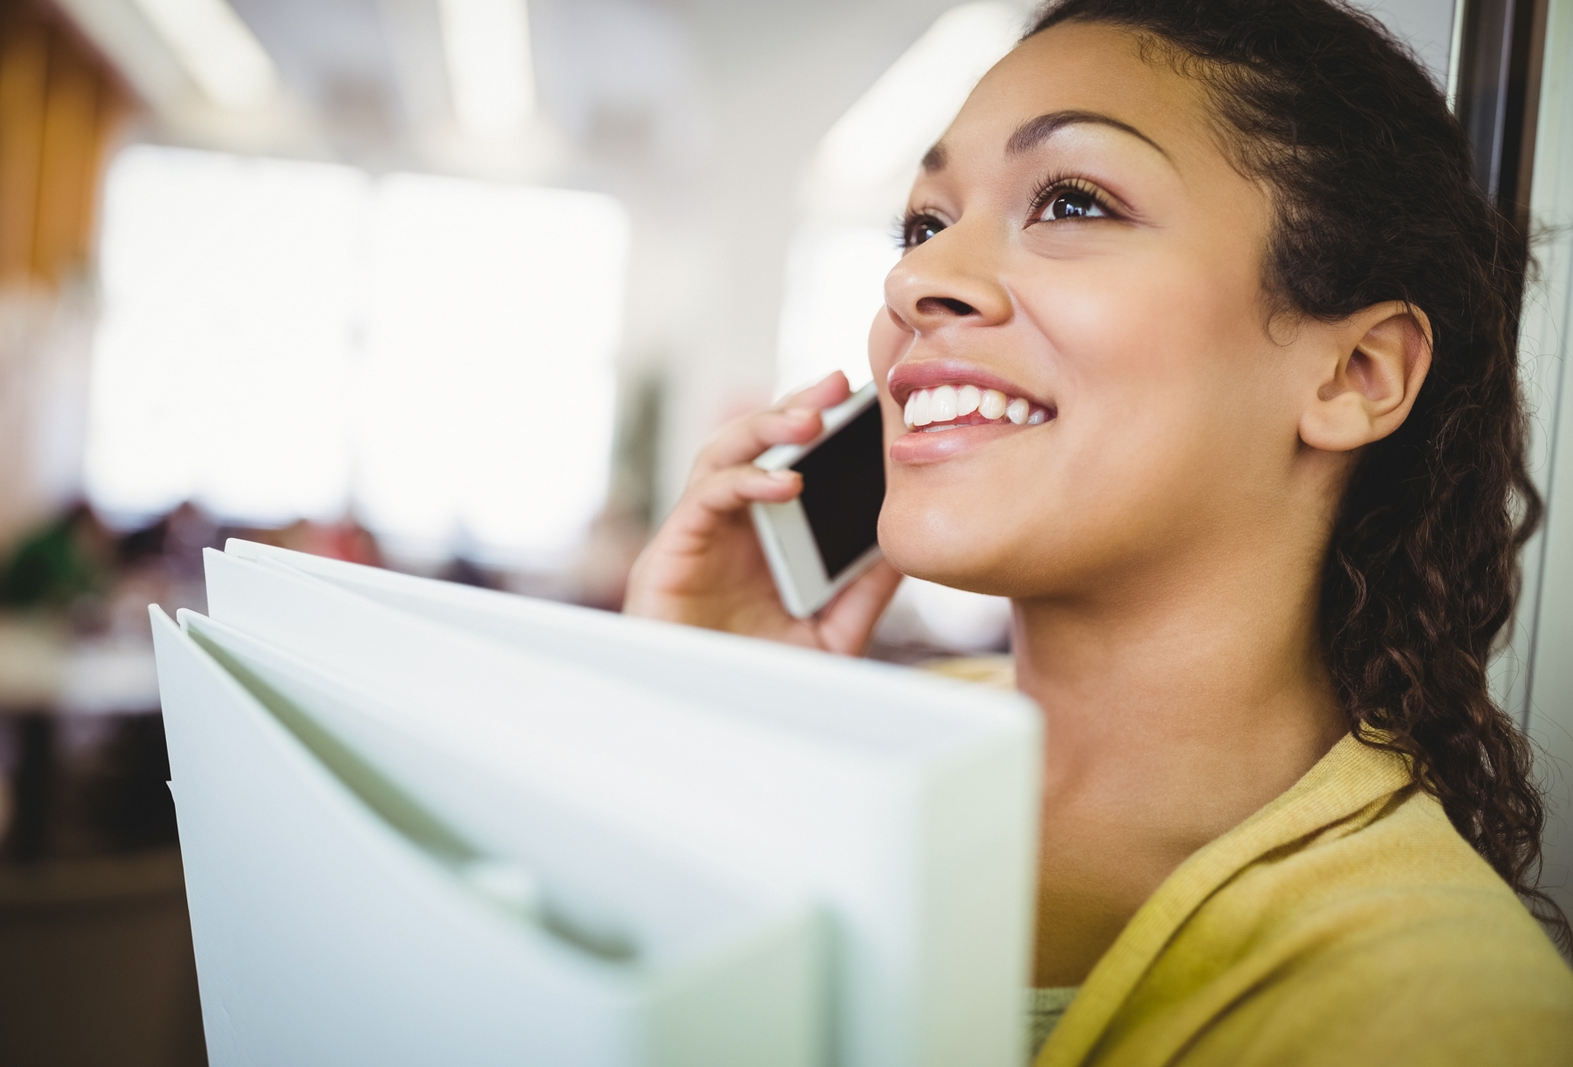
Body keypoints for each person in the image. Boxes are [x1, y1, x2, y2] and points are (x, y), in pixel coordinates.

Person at [624, 0, 1573, 1062]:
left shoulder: (1451, 1019)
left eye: (1072, 200)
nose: (913, 278)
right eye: (925, 224)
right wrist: (702, 730)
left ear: (1355, 374)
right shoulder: (840, 749)